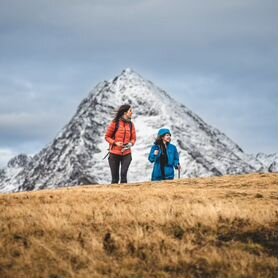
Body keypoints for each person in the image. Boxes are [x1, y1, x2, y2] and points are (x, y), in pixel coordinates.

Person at [105, 104, 136, 184]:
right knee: (115, 178)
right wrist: (115, 143)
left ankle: (124, 195)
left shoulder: (131, 125)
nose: (132, 112)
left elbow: (133, 138)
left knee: (123, 175)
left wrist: (130, 144)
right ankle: (114, 195)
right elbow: (107, 137)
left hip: (127, 153)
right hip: (114, 154)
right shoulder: (115, 123)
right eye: (130, 111)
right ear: (125, 112)